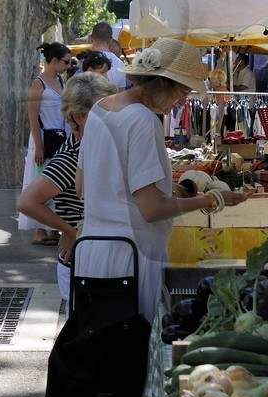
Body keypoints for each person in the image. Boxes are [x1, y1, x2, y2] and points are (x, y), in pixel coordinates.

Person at [74, 38, 246, 321]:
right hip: (132, 259)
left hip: (93, 253)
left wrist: (172, 191)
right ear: (161, 82)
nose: (182, 101)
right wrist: (212, 198)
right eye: (181, 91)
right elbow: (151, 209)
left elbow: (84, 186)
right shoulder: (143, 119)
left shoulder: (100, 109)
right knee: (133, 350)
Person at [16, 72, 116, 310]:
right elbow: (27, 202)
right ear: (78, 117)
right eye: (103, 109)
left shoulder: (92, 146)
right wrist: (69, 232)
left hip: (91, 259)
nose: (112, 114)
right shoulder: (73, 156)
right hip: (79, 264)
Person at [21, 42, 72, 246]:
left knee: (54, 184)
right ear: (54, 60)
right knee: (39, 181)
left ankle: (51, 228)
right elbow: (32, 117)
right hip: (42, 139)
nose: (69, 66)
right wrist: (38, 146)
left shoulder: (61, 80)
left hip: (59, 138)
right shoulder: (38, 83)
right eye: (66, 62)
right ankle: (39, 231)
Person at [88, 22, 132, 89]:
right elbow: (121, 93)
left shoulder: (85, 62)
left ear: (91, 37)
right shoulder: (120, 64)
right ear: (111, 40)